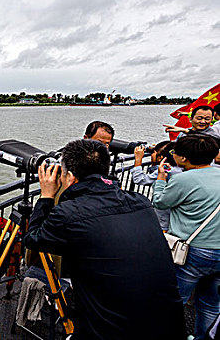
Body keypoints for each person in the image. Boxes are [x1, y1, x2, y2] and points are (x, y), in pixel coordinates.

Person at [24, 139, 185, 340]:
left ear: (71, 177)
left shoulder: (68, 213)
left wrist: (46, 197)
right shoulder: (140, 202)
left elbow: (33, 239)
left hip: (110, 331)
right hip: (170, 325)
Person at [152, 135, 220, 340]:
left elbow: (160, 202)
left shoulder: (183, 179)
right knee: (210, 303)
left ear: (182, 158)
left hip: (192, 253)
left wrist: (161, 179)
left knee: (174, 300)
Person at [132, 141, 180, 231]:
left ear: (160, 158)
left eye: (153, 152)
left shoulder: (167, 169)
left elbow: (139, 179)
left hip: (164, 217)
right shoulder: (178, 168)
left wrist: (138, 160)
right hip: (175, 217)